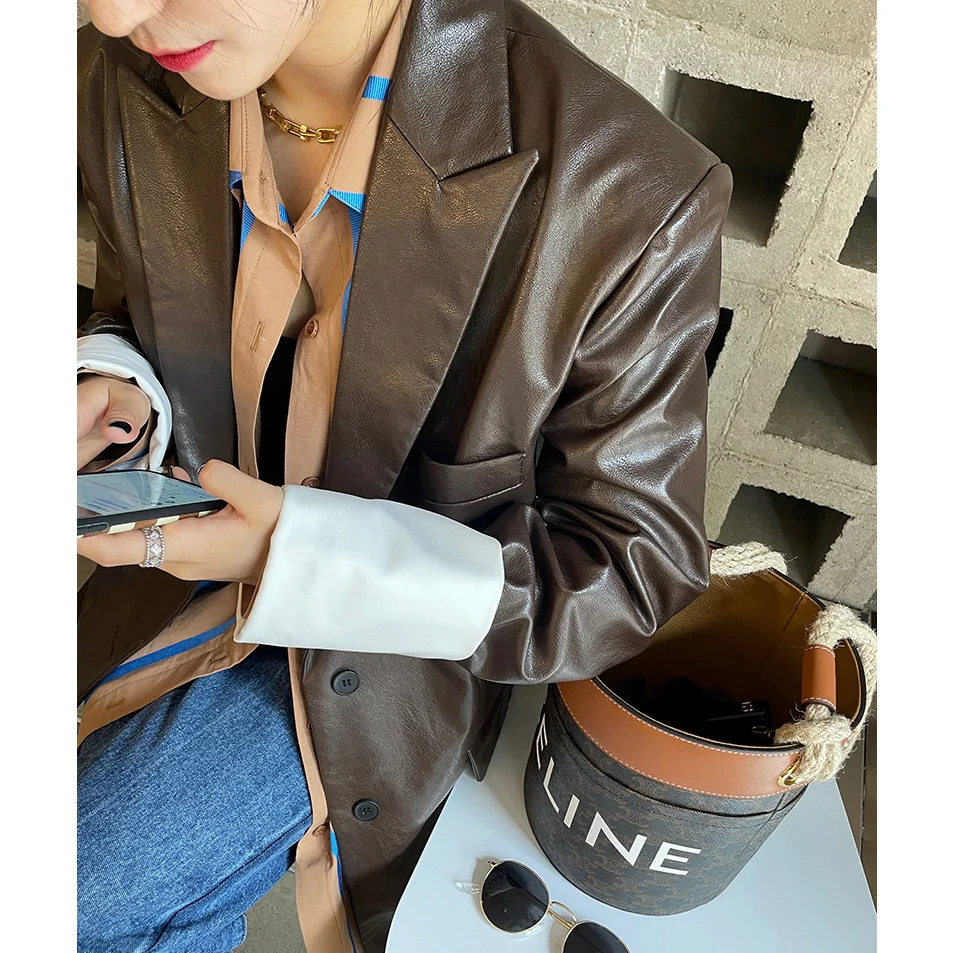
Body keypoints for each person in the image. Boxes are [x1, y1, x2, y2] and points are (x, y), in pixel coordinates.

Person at [76, 0, 732, 951]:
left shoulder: (628, 193)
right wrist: (113, 383)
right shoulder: (129, 76)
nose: (113, 13)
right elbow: (132, 300)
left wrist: (306, 556)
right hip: (158, 580)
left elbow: (630, 570)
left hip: (385, 673)